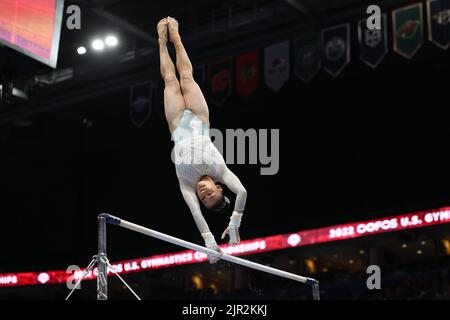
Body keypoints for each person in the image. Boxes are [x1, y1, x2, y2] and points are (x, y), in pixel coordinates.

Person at [157, 17, 247, 263]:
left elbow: (195, 213)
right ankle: (176, 37)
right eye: (211, 194)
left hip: (176, 125)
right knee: (186, 76)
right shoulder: (220, 172)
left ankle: (161, 43)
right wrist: (235, 222)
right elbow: (242, 191)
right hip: (199, 119)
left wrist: (209, 241)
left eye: (204, 198)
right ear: (219, 188)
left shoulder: (186, 184)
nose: (204, 194)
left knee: (169, 80)